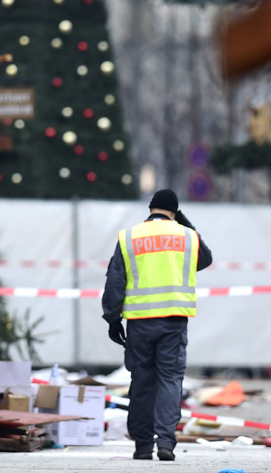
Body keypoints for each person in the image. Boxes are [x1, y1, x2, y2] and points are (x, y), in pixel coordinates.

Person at [102, 189, 213, 461]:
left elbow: (115, 280)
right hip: (173, 321)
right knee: (170, 379)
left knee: (141, 380)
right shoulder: (187, 236)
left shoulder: (130, 237)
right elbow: (205, 259)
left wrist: (112, 318)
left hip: (139, 322)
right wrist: (185, 224)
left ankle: (142, 445)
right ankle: (165, 442)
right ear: (175, 212)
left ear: (150, 209)